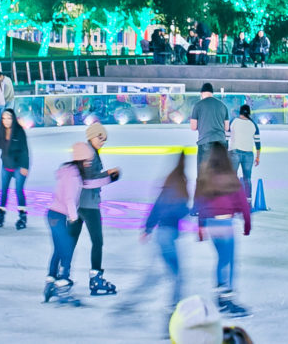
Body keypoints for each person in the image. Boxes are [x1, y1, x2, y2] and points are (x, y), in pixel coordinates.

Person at [122, 153, 190, 321]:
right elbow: (178, 211)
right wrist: (190, 210)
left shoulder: (169, 184)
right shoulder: (180, 184)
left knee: (162, 275)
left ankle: (130, 304)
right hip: (168, 235)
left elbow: (157, 207)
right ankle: (173, 310)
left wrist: (148, 228)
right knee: (175, 276)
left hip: (161, 234)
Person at [195, 142, 251, 317]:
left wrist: (201, 226)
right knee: (229, 261)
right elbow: (242, 202)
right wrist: (247, 223)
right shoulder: (230, 177)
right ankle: (227, 299)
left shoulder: (205, 178)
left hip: (212, 224)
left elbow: (200, 202)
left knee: (221, 259)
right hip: (225, 223)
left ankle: (221, 296)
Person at [69, 122, 121, 296]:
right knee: (97, 242)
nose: (103, 141)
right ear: (91, 135)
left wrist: (106, 174)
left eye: (105, 139)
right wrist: (110, 177)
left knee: (70, 242)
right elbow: (89, 181)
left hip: (79, 205)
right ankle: (95, 278)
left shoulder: (89, 152)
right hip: (88, 205)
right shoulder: (89, 153)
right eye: (100, 137)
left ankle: (62, 275)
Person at [44, 141, 94, 305]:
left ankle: (51, 280)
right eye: (87, 160)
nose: (88, 163)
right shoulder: (73, 175)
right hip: (58, 215)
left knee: (59, 249)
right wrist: (73, 216)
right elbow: (69, 198)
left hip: (53, 214)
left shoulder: (69, 172)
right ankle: (63, 285)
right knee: (67, 250)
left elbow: (89, 184)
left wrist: (108, 178)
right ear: (80, 160)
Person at [0, 108, 30, 229]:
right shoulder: (0, 131)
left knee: (19, 190)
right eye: (4, 118)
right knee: (4, 191)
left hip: (19, 166)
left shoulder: (19, 131)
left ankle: (22, 216)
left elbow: (25, 150)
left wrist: (25, 166)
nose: (6, 121)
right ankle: (1, 215)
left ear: (13, 118)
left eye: (9, 118)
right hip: (6, 166)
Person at [190, 83, 230, 173]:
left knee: (203, 174)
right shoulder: (223, 106)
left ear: (201, 93)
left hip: (205, 141)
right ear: (212, 93)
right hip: (221, 143)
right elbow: (227, 128)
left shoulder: (198, 105)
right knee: (219, 174)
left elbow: (193, 127)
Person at [229, 105, 261, 202]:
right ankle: (248, 199)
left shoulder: (233, 121)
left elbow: (226, 137)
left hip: (234, 152)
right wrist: (258, 157)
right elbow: (258, 143)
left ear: (240, 112)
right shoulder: (253, 124)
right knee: (247, 178)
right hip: (248, 154)